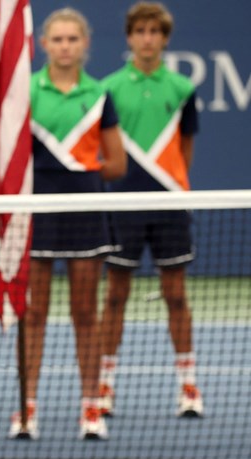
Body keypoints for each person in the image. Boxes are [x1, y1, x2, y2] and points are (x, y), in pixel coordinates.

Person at [14, 7, 127, 441]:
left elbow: (115, 163)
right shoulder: (26, 94)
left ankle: (91, 407)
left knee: (85, 312)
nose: (64, 46)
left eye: (72, 39)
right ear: (44, 44)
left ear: (85, 45)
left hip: (85, 210)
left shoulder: (99, 95)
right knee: (34, 312)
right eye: (57, 39)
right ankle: (26, 408)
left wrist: (80, 168)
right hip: (37, 209)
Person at [100, 1, 202, 418]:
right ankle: (104, 387)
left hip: (169, 203)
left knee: (176, 295)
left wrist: (171, 185)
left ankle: (189, 387)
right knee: (116, 297)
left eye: (154, 32)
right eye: (140, 31)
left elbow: (186, 148)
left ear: (164, 38)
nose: (147, 39)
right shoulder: (107, 88)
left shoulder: (182, 89)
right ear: (130, 37)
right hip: (122, 204)